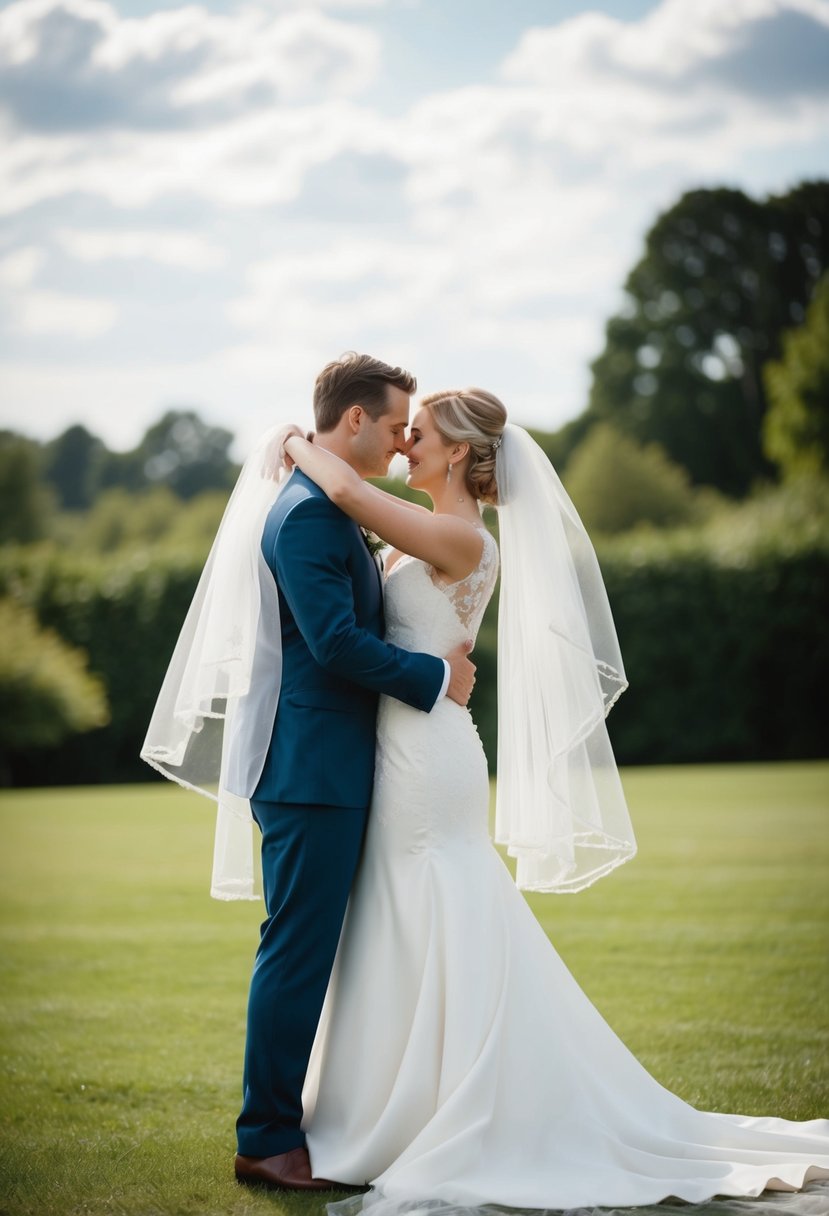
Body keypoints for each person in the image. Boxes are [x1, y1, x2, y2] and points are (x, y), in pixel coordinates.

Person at [276, 388, 829, 1213]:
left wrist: (292, 440)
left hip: (426, 757)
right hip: (399, 742)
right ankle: (385, 1109)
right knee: (397, 914)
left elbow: (350, 493)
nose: (404, 447)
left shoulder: (460, 536)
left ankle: (448, 1110)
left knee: (435, 904)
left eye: (418, 434)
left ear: (460, 451)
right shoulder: (423, 525)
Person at [141, 353, 477, 1192]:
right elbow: (332, 645)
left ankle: (315, 1121)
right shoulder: (309, 519)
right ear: (354, 421)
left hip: (335, 766)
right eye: (396, 422)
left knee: (321, 950)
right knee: (295, 953)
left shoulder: (326, 503)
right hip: (311, 773)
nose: (403, 438)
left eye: (416, 429)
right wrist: (435, 679)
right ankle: (266, 1139)